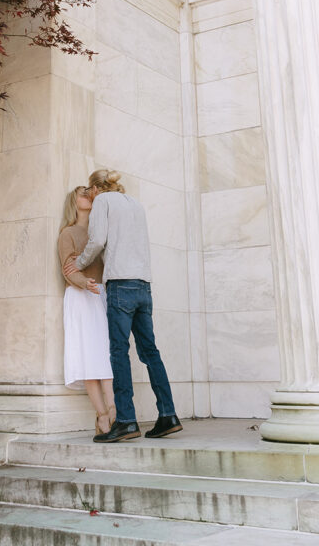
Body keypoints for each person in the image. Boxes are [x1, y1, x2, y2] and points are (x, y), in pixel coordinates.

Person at [63, 168, 182, 443]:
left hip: (120, 284)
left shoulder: (103, 202)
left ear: (95, 190)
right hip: (144, 284)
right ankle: (168, 415)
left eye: (90, 192)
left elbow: (98, 241)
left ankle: (126, 421)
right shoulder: (136, 205)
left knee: (118, 352)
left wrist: (78, 263)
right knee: (150, 351)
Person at [58, 185, 116, 436]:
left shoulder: (100, 230)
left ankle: (115, 411)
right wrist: (84, 283)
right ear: (74, 201)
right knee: (88, 358)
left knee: (107, 355)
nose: (87, 195)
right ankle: (103, 415)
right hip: (81, 297)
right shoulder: (68, 233)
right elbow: (68, 267)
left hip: (101, 294)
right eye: (83, 192)